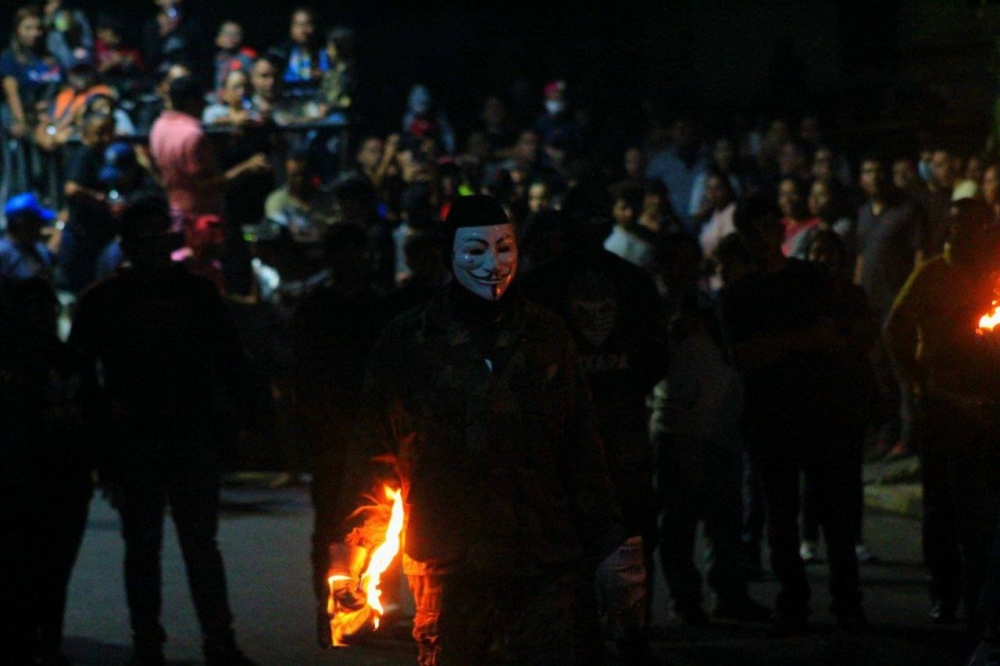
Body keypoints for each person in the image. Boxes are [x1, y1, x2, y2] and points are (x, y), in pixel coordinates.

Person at [321, 195, 643, 664]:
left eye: (505, 248)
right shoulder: (407, 341)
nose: (493, 264)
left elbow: (581, 446)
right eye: (475, 251)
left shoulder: (548, 335)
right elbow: (376, 452)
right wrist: (353, 552)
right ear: (451, 255)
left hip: (542, 554)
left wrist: (612, 544)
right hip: (447, 562)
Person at [69, 196, 257, 666]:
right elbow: (80, 376)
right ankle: (182, 642)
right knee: (162, 546)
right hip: (145, 437)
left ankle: (190, 642)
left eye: (158, 238)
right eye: (144, 238)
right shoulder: (135, 297)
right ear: (128, 244)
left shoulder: (123, 297)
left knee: (177, 546)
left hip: (169, 435)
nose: (152, 247)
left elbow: (231, 362)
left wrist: (243, 419)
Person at [520, 203, 670, 659]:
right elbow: (656, 356)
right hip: (619, 418)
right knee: (631, 525)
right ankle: (631, 622)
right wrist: (622, 385)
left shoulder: (537, 285)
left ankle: (579, 623)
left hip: (562, 427)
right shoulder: (634, 280)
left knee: (568, 527)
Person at [719, 211, 866, 635]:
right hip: (769, 415)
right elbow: (743, 355)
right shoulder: (738, 294)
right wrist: (796, 341)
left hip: (819, 410)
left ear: (778, 231)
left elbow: (825, 335)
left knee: (833, 514)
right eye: (750, 231)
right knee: (780, 517)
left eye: (763, 228)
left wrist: (772, 343)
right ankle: (796, 599)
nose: (757, 239)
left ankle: (845, 600)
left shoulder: (808, 279)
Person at [884, 198, 1000, 634]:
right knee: (942, 506)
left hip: (989, 406)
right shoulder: (933, 273)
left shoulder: (992, 274)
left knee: (983, 508)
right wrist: (916, 383)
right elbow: (895, 328)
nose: (960, 235)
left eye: (972, 227)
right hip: (943, 408)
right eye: (955, 227)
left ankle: (981, 599)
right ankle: (945, 594)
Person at [291, 222, 389, 609]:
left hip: (374, 429)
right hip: (332, 428)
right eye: (344, 254)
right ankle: (331, 602)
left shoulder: (379, 307)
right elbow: (303, 373)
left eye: (356, 254)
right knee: (332, 517)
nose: (351, 262)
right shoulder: (316, 308)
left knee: (376, 514)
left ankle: (373, 602)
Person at [9, 277, 93, 665]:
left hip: (62, 477)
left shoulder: (70, 359)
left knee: (52, 565)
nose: (41, 317)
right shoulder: (18, 364)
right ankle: (33, 641)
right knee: (33, 564)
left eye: (46, 309)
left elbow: (94, 418)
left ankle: (44, 641)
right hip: (29, 478)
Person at [149, 75, 269, 234]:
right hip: (201, 219)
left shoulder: (159, 126)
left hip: (175, 211)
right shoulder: (193, 135)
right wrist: (248, 167)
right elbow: (207, 185)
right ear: (192, 102)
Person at [1, 7, 62, 142]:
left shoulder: (50, 59)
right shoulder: (9, 58)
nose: (34, 33)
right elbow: (12, 95)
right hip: (20, 120)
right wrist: (21, 122)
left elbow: (59, 89)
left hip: (48, 119)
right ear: (17, 30)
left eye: (37, 28)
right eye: (28, 28)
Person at [0, 193, 57, 282]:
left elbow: (52, 258)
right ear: (21, 224)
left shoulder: (37, 248)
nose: (41, 227)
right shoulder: (3, 253)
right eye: (36, 222)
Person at [603, 181, 659, 272]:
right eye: (623, 208)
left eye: (634, 206)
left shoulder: (649, 234)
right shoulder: (612, 247)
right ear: (613, 210)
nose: (630, 213)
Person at [212, 20, 256, 100]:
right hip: (218, 99)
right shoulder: (217, 57)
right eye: (227, 34)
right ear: (218, 38)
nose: (231, 38)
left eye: (235, 34)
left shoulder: (247, 57)